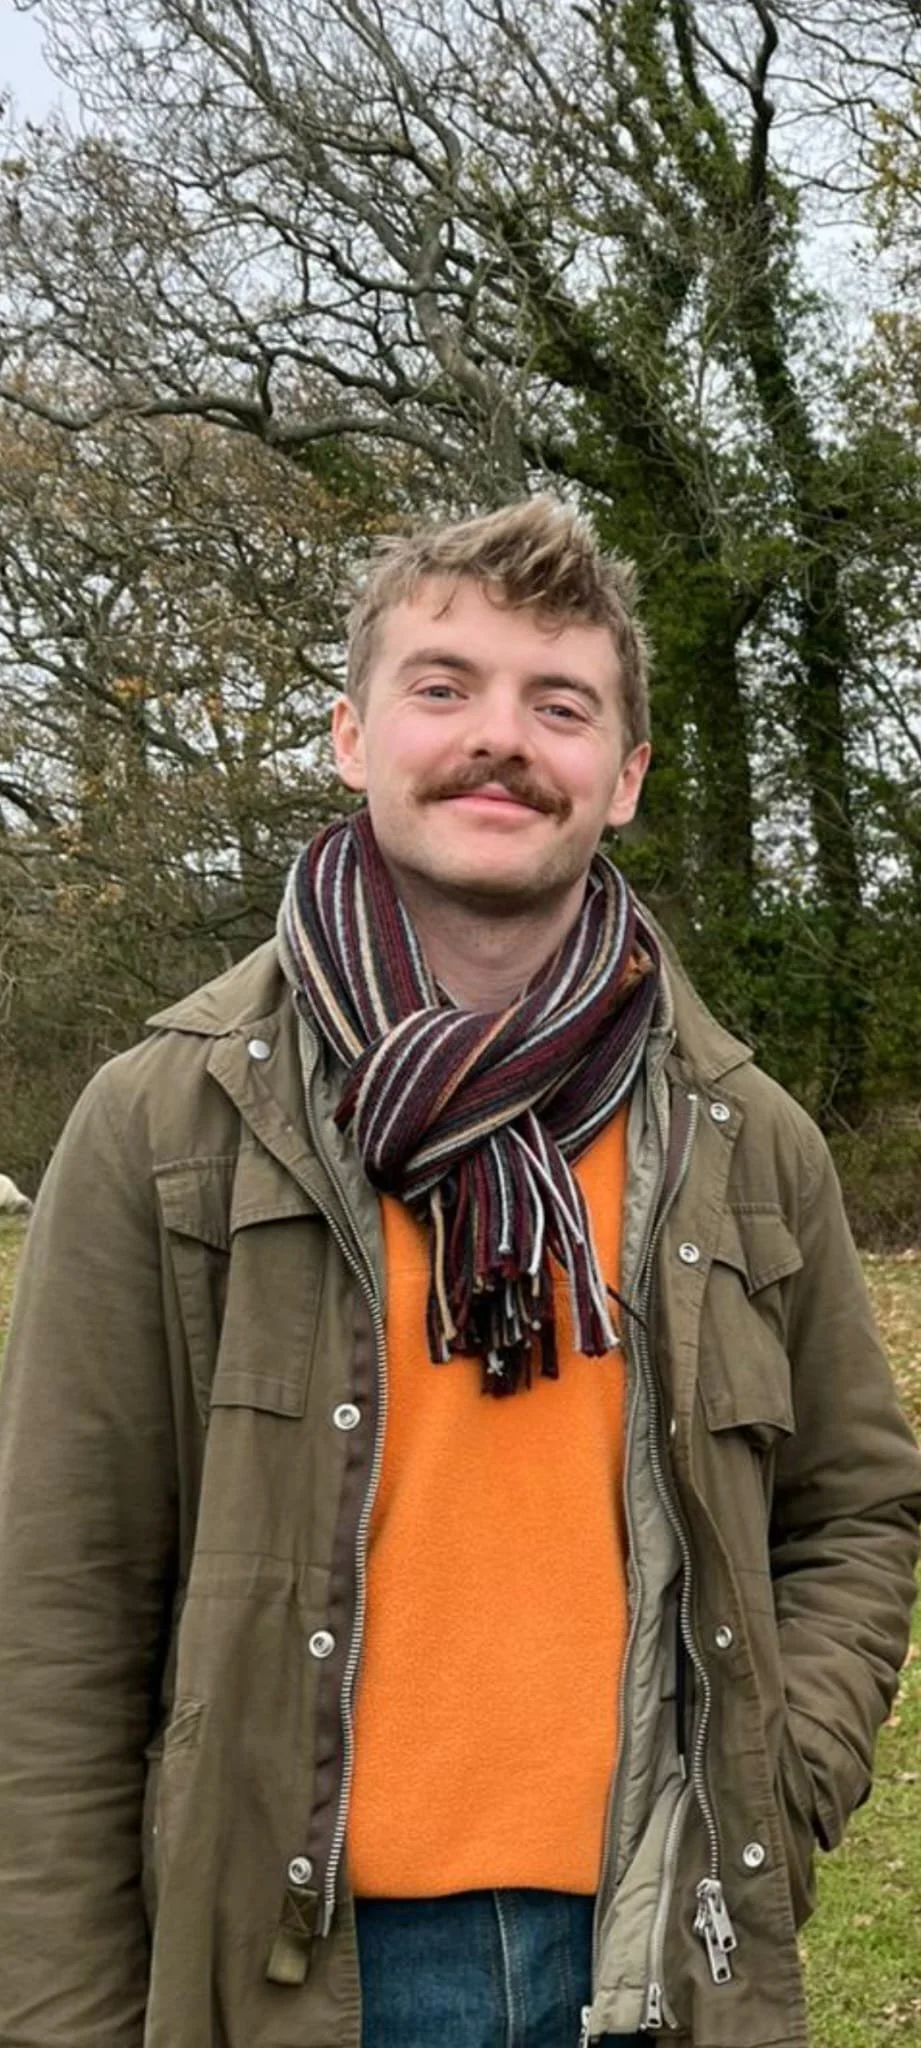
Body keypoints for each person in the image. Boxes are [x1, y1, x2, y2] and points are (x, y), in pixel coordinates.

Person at [0, 497, 918, 2048]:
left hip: (651, 1956)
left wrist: (780, 1777)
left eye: (560, 706)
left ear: (623, 778)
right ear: (353, 737)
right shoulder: (166, 1122)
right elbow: (57, 1621)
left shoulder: (744, 1134)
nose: (501, 737)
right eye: (446, 687)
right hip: (298, 1974)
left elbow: (856, 1510)